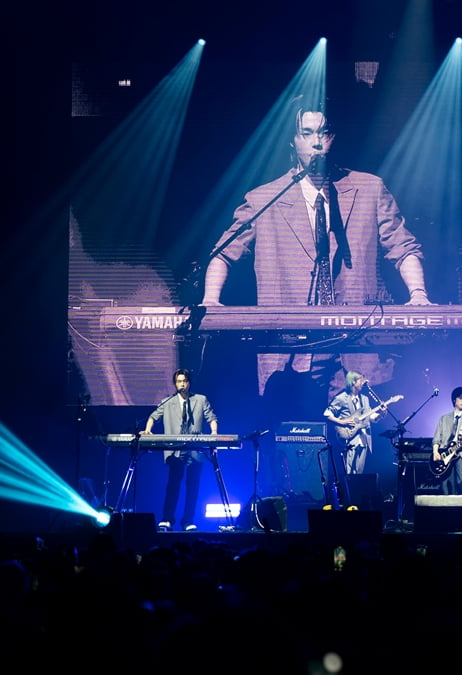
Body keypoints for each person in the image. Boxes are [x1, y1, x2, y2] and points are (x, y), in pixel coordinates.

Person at [200, 98, 432, 398]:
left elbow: (403, 247)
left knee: (360, 424)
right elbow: (223, 253)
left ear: (334, 137)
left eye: (324, 133)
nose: (317, 142)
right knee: (293, 424)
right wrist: (210, 300)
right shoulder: (263, 199)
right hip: (293, 346)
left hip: (359, 343)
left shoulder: (370, 189)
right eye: (307, 133)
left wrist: (418, 295)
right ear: (293, 141)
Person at [143, 368, 218, 532]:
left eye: (184, 381)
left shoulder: (200, 399)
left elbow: (211, 417)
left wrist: (213, 433)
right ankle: (167, 519)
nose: (181, 384)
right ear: (175, 384)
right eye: (178, 381)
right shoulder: (167, 402)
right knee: (173, 485)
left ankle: (188, 521)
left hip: (195, 450)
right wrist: (148, 429)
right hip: (175, 450)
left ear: (189, 383)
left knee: (193, 486)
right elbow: (153, 416)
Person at [324, 371, 392, 476]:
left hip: (364, 438)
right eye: (360, 380)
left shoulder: (364, 399)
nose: (363, 382)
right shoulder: (341, 398)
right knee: (348, 472)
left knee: (359, 472)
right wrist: (342, 422)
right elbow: (327, 414)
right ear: (353, 382)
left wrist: (382, 414)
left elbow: (371, 417)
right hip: (350, 437)